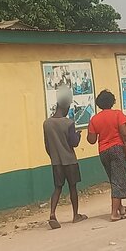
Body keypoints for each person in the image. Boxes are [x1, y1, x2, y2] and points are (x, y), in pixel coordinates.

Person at [87, 89, 126, 222]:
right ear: (112, 102)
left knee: (114, 179)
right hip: (117, 149)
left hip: (103, 151)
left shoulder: (94, 119)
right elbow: (125, 133)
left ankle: (120, 207)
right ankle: (114, 213)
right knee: (119, 179)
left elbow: (91, 140)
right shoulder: (117, 114)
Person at [43, 91, 88, 229]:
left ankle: (52, 214)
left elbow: (47, 145)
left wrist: (53, 156)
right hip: (70, 160)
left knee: (57, 188)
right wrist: (78, 136)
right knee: (73, 187)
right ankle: (75, 215)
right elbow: (73, 142)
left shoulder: (47, 123)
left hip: (56, 161)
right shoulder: (68, 123)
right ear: (66, 107)